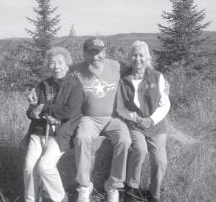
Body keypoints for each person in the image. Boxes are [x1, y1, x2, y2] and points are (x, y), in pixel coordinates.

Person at [71, 37, 132, 202]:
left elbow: (140, 69)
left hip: (113, 118)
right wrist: (37, 88)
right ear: (84, 54)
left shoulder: (116, 66)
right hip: (89, 118)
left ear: (104, 52)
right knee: (82, 138)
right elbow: (57, 77)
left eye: (99, 52)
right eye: (91, 52)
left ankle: (113, 185)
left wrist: (162, 82)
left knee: (125, 140)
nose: (96, 56)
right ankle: (84, 186)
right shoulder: (76, 70)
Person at [24, 47, 83, 202]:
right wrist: (34, 112)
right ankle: (31, 199)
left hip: (61, 134)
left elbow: (70, 111)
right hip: (38, 132)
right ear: (48, 65)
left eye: (60, 62)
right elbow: (30, 110)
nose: (56, 66)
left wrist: (44, 107)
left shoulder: (75, 85)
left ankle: (61, 198)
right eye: (52, 63)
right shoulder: (43, 84)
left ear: (67, 64)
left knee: (45, 166)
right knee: (29, 168)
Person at [116, 41, 171, 202]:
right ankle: (132, 189)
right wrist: (137, 119)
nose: (137, 59)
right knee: (140, 150)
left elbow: (165, 103)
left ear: (147, 57)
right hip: (135, 125)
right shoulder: (124, 80)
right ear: (129, 57)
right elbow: (120, 108)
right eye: (134, 55)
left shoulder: (157, 76)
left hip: (156, 126)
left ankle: (154, 194)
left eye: (141, 55)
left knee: (160, 160)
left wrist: (151, 120)